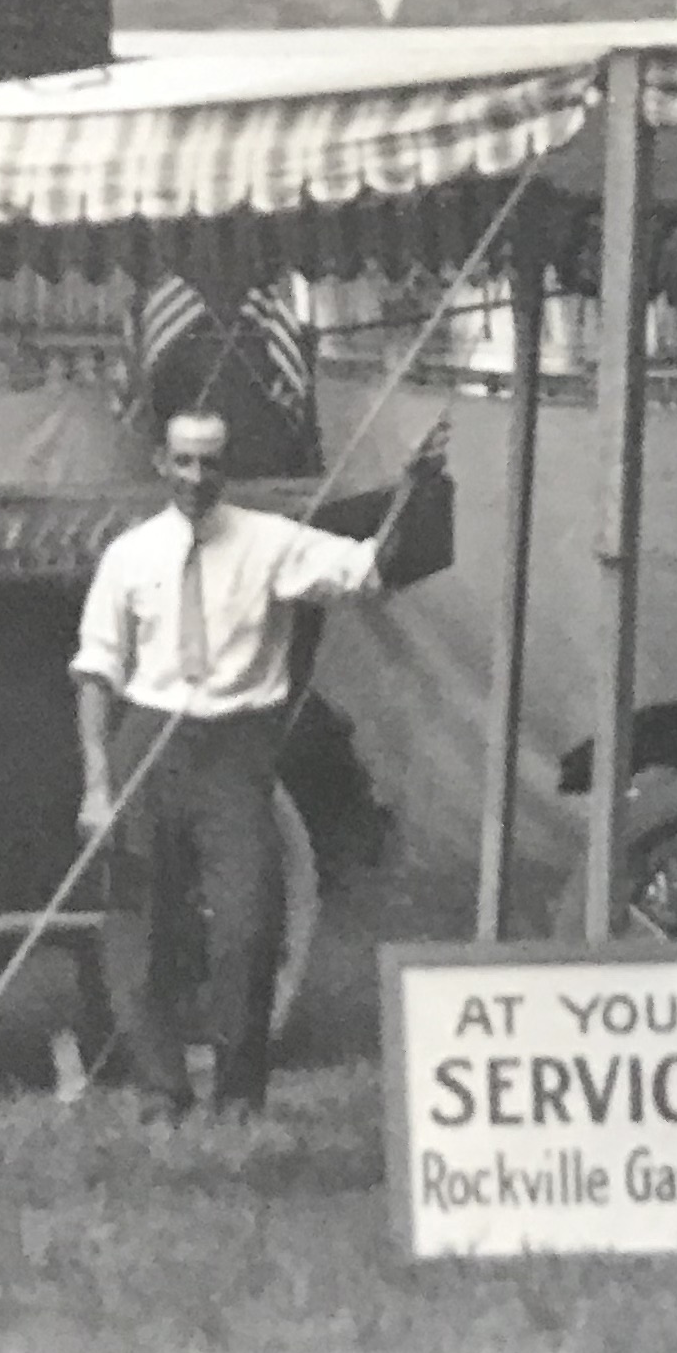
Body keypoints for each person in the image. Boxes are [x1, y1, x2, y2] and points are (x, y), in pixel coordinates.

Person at [69, 409, 444, 1118]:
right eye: (182, 462)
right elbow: (95, 672)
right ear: (161, 464)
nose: (196, 478)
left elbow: (367, 569)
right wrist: (96, 784)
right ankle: (160, 1091)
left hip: (233, 753)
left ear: (226, 467)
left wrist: (414, 487)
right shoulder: (130, 555)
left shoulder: (270, 542)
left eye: (209, 463)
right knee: (135, 927)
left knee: (247, 923)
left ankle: (239, 1096)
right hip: (146, 744)